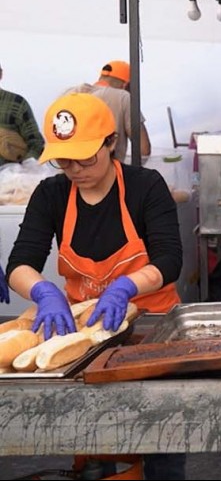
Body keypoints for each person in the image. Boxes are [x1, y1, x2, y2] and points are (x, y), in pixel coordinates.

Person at [4, 92, 184, 478]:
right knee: (95, 435)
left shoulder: (145, 186)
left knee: (161, 438)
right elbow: (20, 263)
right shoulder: (51, 194)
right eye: (64, 160)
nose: (75, 169)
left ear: (112, 142)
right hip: (84, 336)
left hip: (151, 330)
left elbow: (169, 260)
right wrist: (44, 292)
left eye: (86, 157)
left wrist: (124, 288)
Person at [62, 60, 151, 162]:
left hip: (68, 174)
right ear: (125, 86)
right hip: (105, 175)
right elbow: (143, 150)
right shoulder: (123, 97)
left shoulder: (67, 95)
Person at [0, 61, 45, 163]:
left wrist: (24, 169)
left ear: (1, 74)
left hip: (8, 176)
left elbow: (35, 142)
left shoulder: (17, 103)